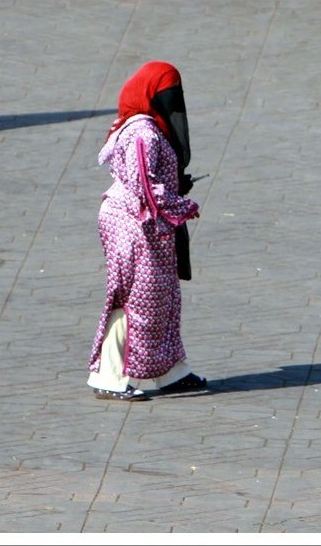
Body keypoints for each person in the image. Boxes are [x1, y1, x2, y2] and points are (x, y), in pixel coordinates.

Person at [87, 60, 207, 401]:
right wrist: (183, 206)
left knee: (162, 298)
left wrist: (174, 186)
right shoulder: (143, 132)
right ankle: (108, 377)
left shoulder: (149, 126)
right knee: (133, 299)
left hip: (149, 226)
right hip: (131, 226)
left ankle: (167, 373)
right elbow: (143, 187)